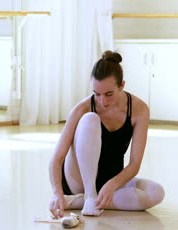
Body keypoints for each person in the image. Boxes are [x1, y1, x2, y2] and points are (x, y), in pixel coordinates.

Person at [49, 50, 165, 218]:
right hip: (78, 180)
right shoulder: (82, 108)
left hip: (110, 179)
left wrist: (112, 185)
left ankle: (74, 202)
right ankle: (89, 195)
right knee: (90, 119)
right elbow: (56, 159)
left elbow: (134, 164)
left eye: (109, 94)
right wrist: (56, 192)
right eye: (97, 94)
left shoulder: (139, 110)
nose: (103, 101)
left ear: (122, 85)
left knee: (156, 193)